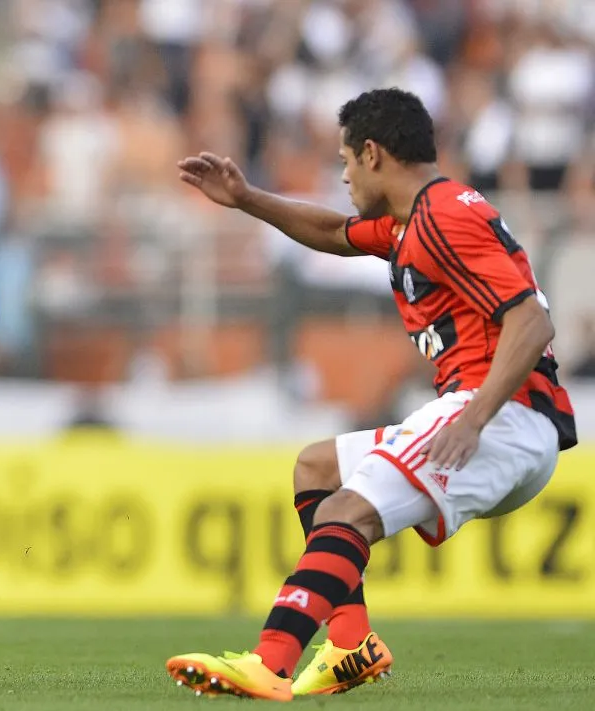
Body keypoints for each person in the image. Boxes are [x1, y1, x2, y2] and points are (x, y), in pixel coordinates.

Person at [166, 88, 576, 702]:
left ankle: (270, 663)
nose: (344, 176)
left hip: (499, 415)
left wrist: (474, 418)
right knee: (317, 468)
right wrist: (247, 198)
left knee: (344, 513)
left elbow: (532, 322)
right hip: (494, 414)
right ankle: (350, 644)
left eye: (346, 161)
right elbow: (335, 231)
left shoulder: (445, 216)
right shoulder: (418, 216)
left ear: (373, 154)